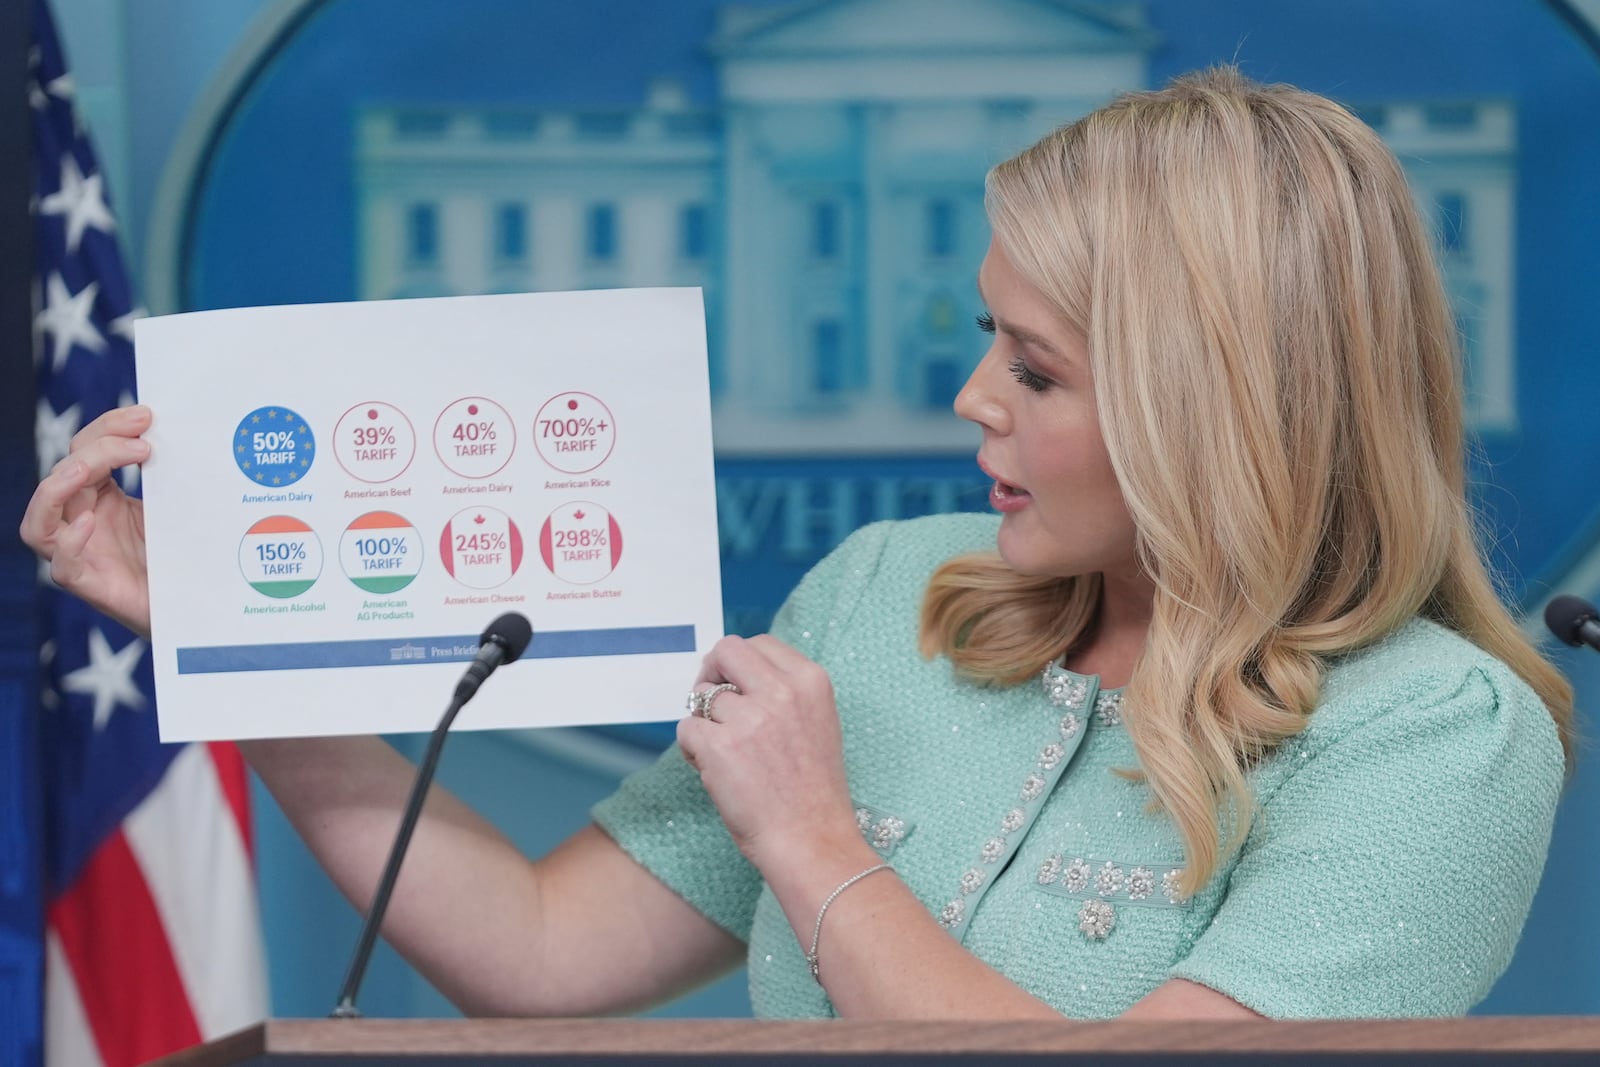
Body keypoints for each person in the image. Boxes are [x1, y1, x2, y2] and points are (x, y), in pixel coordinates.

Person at [23, 67, 1573, 1020]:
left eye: (1037, 372)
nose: (971, 398)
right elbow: (540, 955)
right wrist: (238, 635)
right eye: (991, 341)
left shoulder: (1441, 736)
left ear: (1210, 405)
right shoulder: (895, 592)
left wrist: (816, 844)